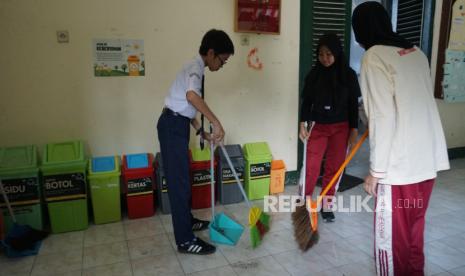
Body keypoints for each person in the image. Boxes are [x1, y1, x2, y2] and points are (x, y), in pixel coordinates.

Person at [352, 2, 450, 275]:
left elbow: (383, 117)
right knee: (414, 232)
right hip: (426, 163)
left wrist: (375, 171)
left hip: (398, 169)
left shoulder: (374, 57)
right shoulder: (417, 53)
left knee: (391, 243)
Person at [157, 29, 234, 255]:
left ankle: (187, 221)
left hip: (177, 124)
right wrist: (216, 122)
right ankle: (185, 241)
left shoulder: (196, 68)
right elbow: (192, 97)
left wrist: (204, 133)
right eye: (222, 60)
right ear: (211, 53)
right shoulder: (195, 68)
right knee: (178, 184)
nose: (221, 65)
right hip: (172, 127)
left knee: (183, 180)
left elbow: (187, 108)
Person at [299, 33, 361, 222]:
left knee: (334, 168)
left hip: (341, 128)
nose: (325, 58)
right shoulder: (314, 74)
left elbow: (353, 106)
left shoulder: (348, 75)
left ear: (337, 53)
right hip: (317, 127)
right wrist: (302, 123)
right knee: (311, 167)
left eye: (329, 54)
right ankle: (305, 204)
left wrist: (354, 130)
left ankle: (326, 205)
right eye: (321, 54)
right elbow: (306, 102)